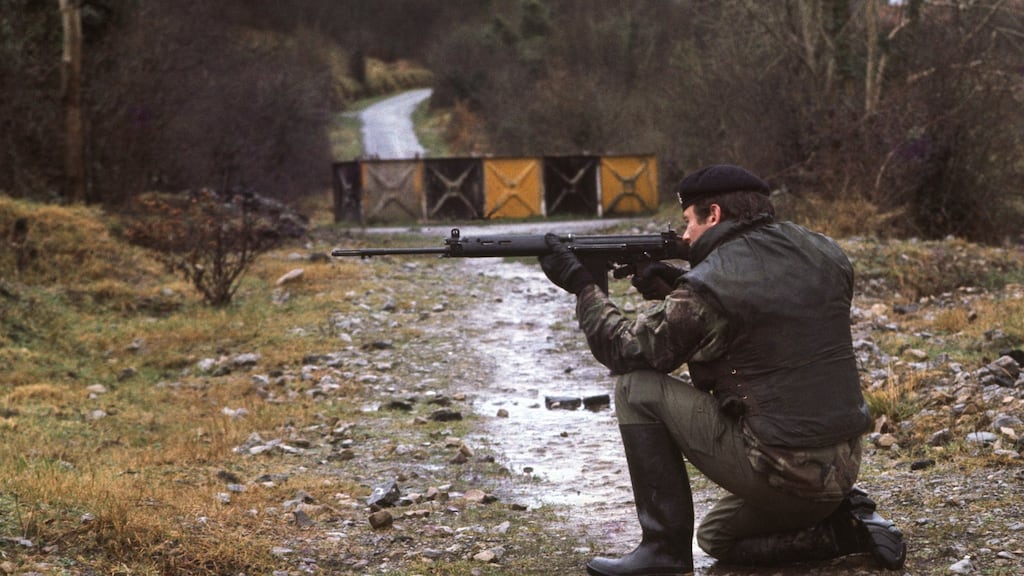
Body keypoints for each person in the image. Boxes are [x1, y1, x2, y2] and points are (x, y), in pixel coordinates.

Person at [538, 164, 906, 575]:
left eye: (689, 224)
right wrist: (678, 281)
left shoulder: (710, 285)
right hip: (843, 463)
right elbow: (766, 312)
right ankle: (845, 528)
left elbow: (626, 350)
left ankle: (662, 551)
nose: (684, 237)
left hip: (786, 470)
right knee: (717, 537)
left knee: (635, 388)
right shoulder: (824, 251)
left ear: (713, 215)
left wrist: (582, 286)